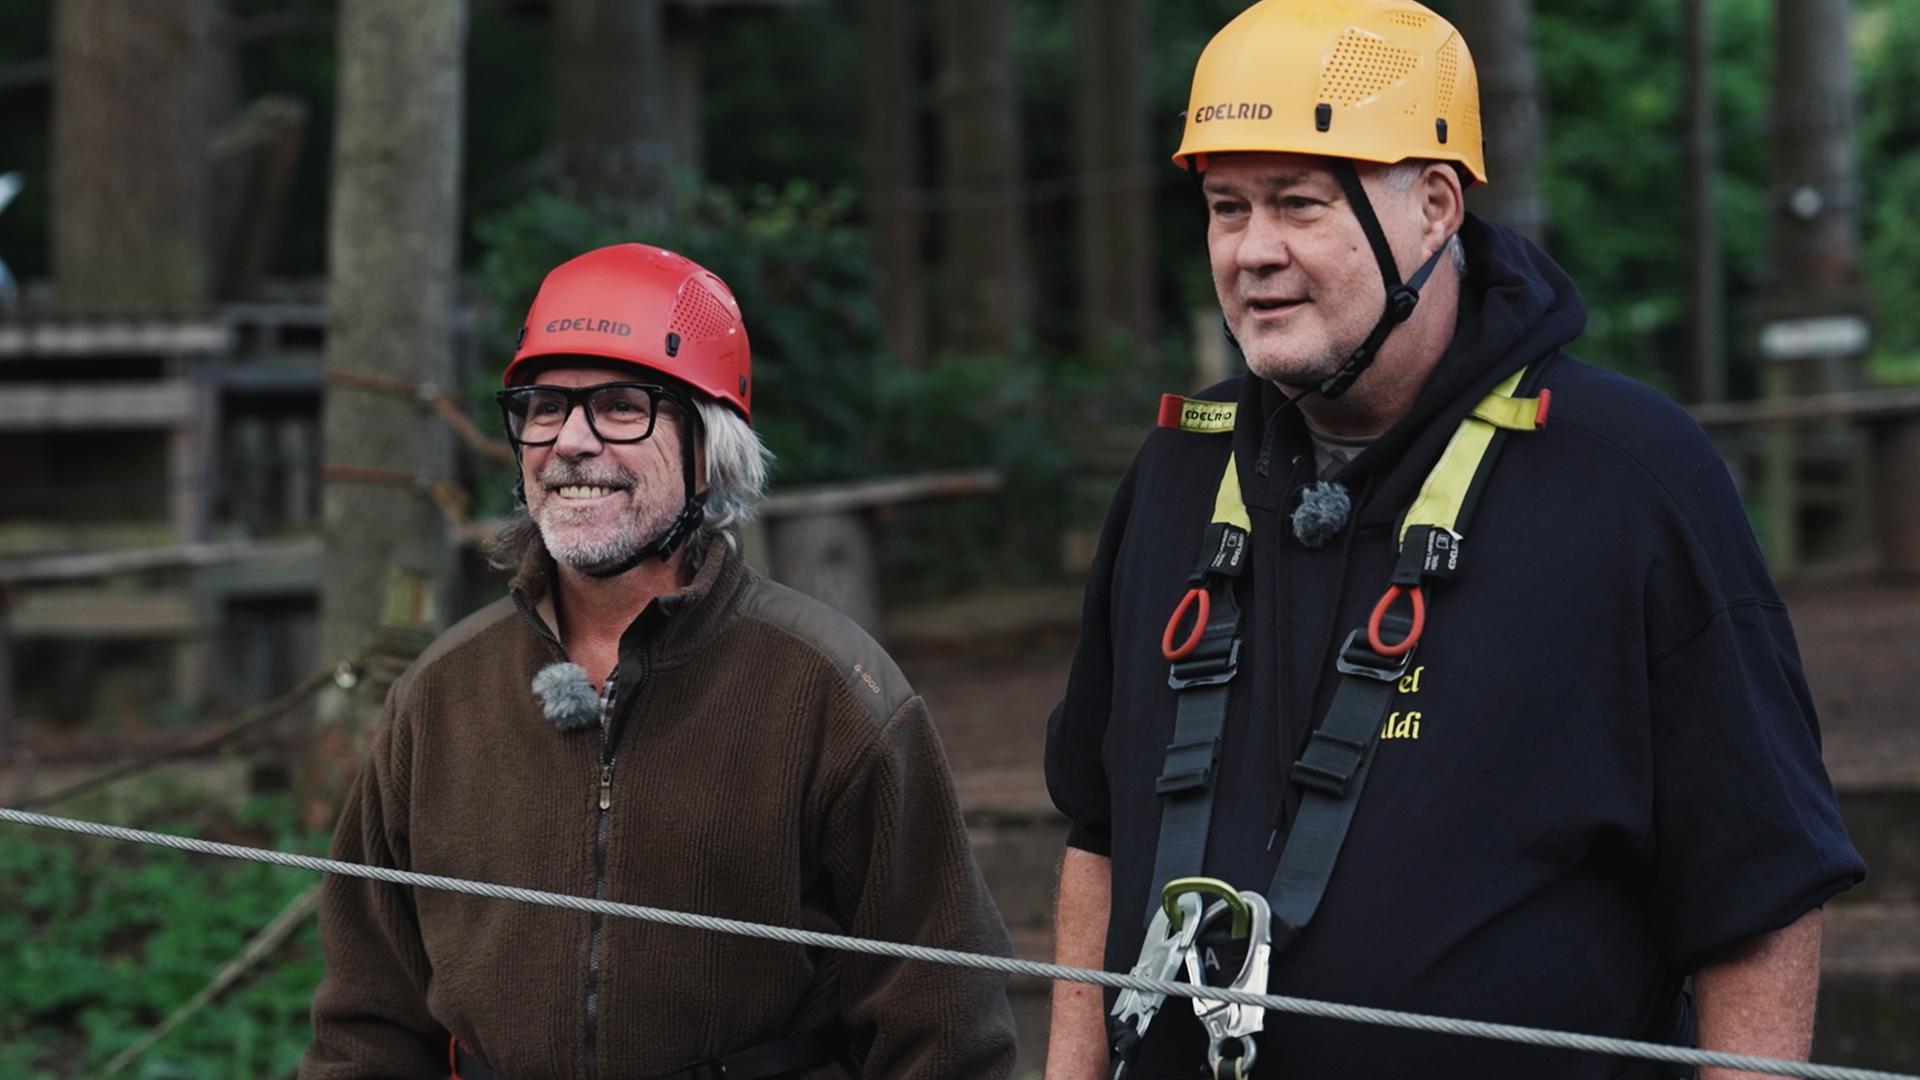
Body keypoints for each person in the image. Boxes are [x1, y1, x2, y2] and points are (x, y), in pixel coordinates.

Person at [1042, 2, 1864, 1077]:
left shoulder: (1627, 482)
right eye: (1225, 206)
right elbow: (1100, 838)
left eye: (1297, 203)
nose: (1253, 253)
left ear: (1434, 207)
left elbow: (1757, 890)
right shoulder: (1179, 477)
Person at [301, 243, 1018, 1080]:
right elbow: (364, 1027)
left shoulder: (833, 692)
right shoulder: (440, 696)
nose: (570, 441)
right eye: (543, 406)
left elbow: (943, 1030)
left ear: (708, 446)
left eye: (619, 405)